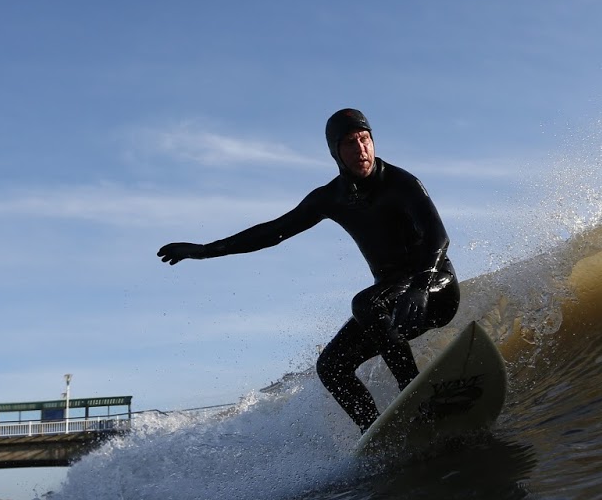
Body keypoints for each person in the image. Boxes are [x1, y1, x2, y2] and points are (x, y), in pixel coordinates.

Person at [158, 108, 460, 432]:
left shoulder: (401, 183)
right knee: (331, 366)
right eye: (350, 143)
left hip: (433, 288)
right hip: (389, 304)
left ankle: (413, 391)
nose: (361, 150)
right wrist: (206, 251)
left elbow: (437, 237)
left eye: (365, 139)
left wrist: (421, 285)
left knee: (365, 304)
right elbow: (274, 231)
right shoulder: (332, 197)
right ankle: (375, 432)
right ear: (335, 152)